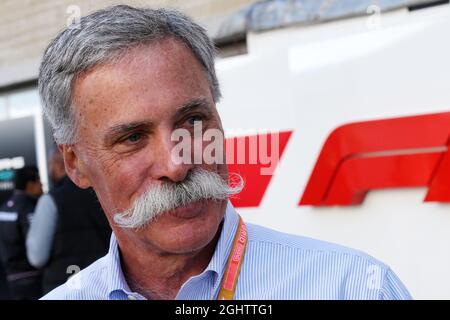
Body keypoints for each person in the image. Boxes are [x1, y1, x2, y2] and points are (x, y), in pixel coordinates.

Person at [37, 5, 411, 300]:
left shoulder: (355, 288)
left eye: (193, 120)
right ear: (75, 163)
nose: (177, 163)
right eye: (133, 137)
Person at [26, 151, 111, 294]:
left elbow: (37, 257)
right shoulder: (104, 193)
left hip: (65, 287)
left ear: (62, 164)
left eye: (50, 166)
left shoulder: (50, 201)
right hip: (106, 284)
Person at [0, 166, 43, 299]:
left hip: (10, 278)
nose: (42, 185)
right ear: (30, 184)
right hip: (31, 277)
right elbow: (36, 243)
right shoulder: (29, 208)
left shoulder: (4, 207)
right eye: (39, 181)